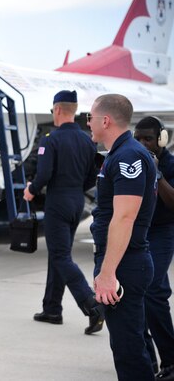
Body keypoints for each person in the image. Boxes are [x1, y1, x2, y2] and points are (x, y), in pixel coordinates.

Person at [88, 94, 157, 381]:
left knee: (129, 351)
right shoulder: (119, 154)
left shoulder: (128, 156)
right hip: (124, 262)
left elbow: (125, 217)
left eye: (90, 117)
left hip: (125, 265)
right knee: (129, 344)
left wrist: (107, 272)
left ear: (106, 120)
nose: (88, 123)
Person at [23, 90, 103, 334]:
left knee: (60, 256)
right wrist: (76, 188)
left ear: (57, 109)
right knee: (59, 253)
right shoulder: (87, 140)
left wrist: (31, 190)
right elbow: (93, 175)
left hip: (57, 202)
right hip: (76, 201)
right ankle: (52, 309)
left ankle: (91, 305)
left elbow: (44, 174)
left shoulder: (51, 139)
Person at [133, 116, 174, 380]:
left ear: (161, 139)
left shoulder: (169, 163)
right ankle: (146, 357)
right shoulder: (133, 160)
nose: (143, 144)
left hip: (162, 230)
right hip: (140, 230)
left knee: (153, 290)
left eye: (148, 139)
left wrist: (157, 173)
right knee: (140, 291)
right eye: (138, 139)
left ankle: (170, 360)